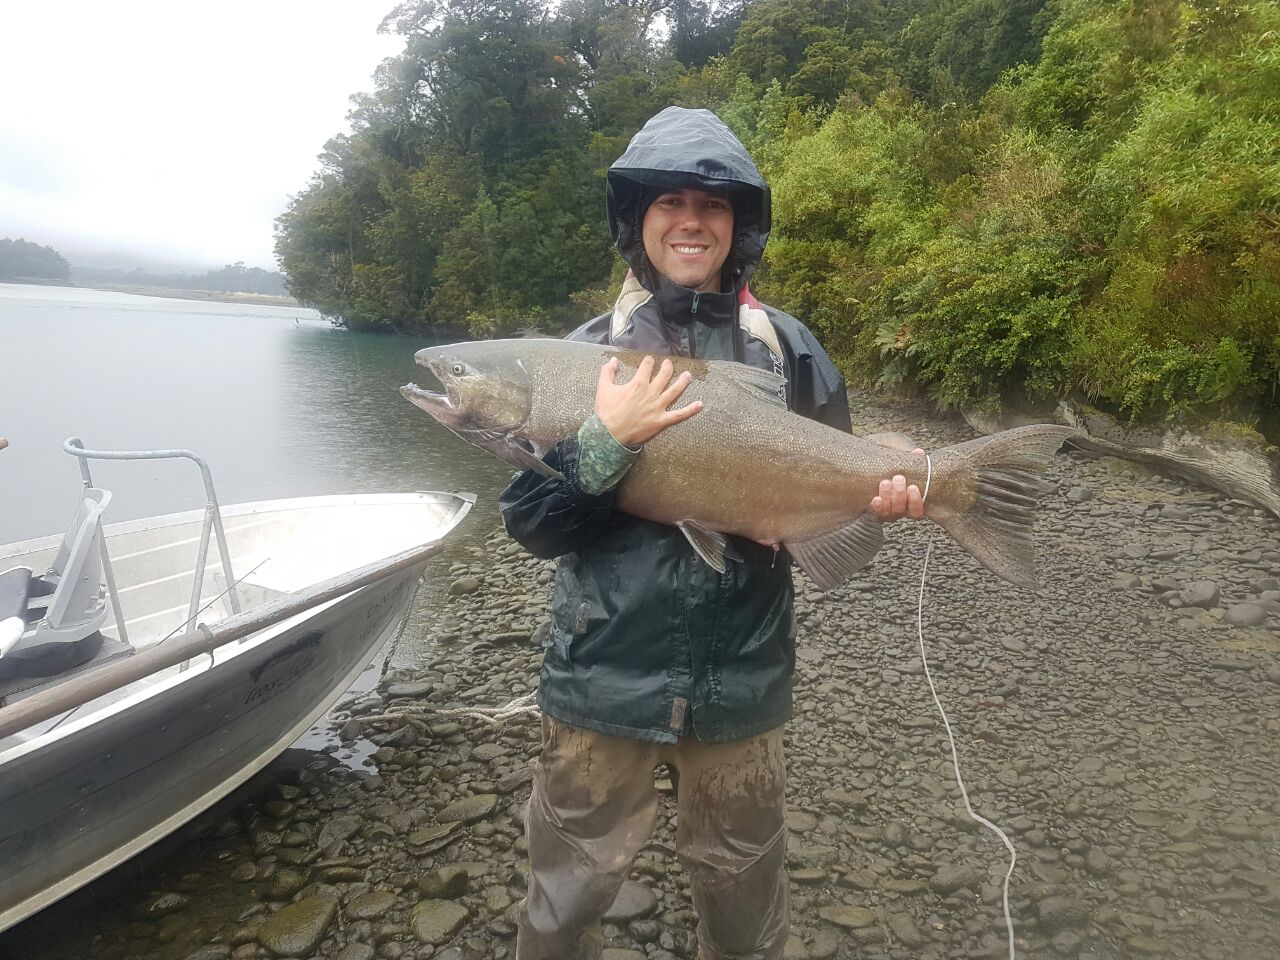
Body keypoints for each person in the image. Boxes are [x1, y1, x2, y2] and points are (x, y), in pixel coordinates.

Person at [501, 106, 923, 960]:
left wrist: (885, 491)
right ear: (637, 221)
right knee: (566, 891)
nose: (691, 220)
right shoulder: (578, 358)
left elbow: (837, 475)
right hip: (601, 676)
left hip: (743, 681)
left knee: (743, 892)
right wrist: (604, 441)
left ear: (740, 227)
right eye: (668, 202)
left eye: (714, 205)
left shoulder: (792, 350)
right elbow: (533, 524)